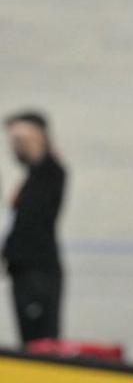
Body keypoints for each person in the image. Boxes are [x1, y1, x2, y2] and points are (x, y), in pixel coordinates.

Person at [2, 111, 66, 345]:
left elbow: (31, 225)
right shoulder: (31, 178)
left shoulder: (50, 173)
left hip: (37, 274)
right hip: (23, 271)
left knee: (40, 342)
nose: (15, 147)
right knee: (29, 341)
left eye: (21, 141)